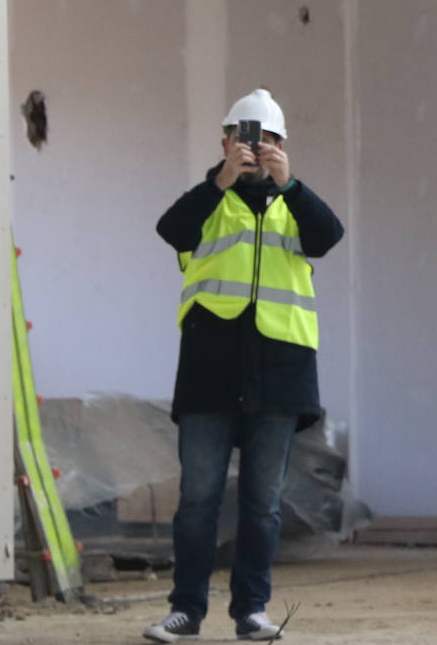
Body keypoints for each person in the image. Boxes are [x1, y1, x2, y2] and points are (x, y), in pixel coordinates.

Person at [144, 88, 344, 643]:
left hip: (279, 376)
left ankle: (251, 611)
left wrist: (292, 183)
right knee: (198, 501)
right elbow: (171, 229)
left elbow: (329, 237)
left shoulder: (294, 205)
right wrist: (220, 180)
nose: (257, 150)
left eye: (268, 140)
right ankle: (185, 611)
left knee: (262, 505)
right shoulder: (209, 204)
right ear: (227, 142)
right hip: (210, 373)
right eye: (247, 139)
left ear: (282, 145)